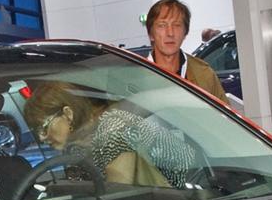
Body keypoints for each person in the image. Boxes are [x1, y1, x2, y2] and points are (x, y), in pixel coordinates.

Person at [22, 80, 196, 189]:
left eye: (43, 127)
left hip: (189, 197)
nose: (41, 138)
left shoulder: (111, 129)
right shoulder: (75, 146)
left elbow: (118, 196)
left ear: (68, 114)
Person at [144, 0, 225, 102]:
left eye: (177, 25)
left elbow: (223, 112)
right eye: (162, 25)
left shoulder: (204, 74)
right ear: (151, 34)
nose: (170, 33)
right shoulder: (135, 77)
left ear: (185, 33)